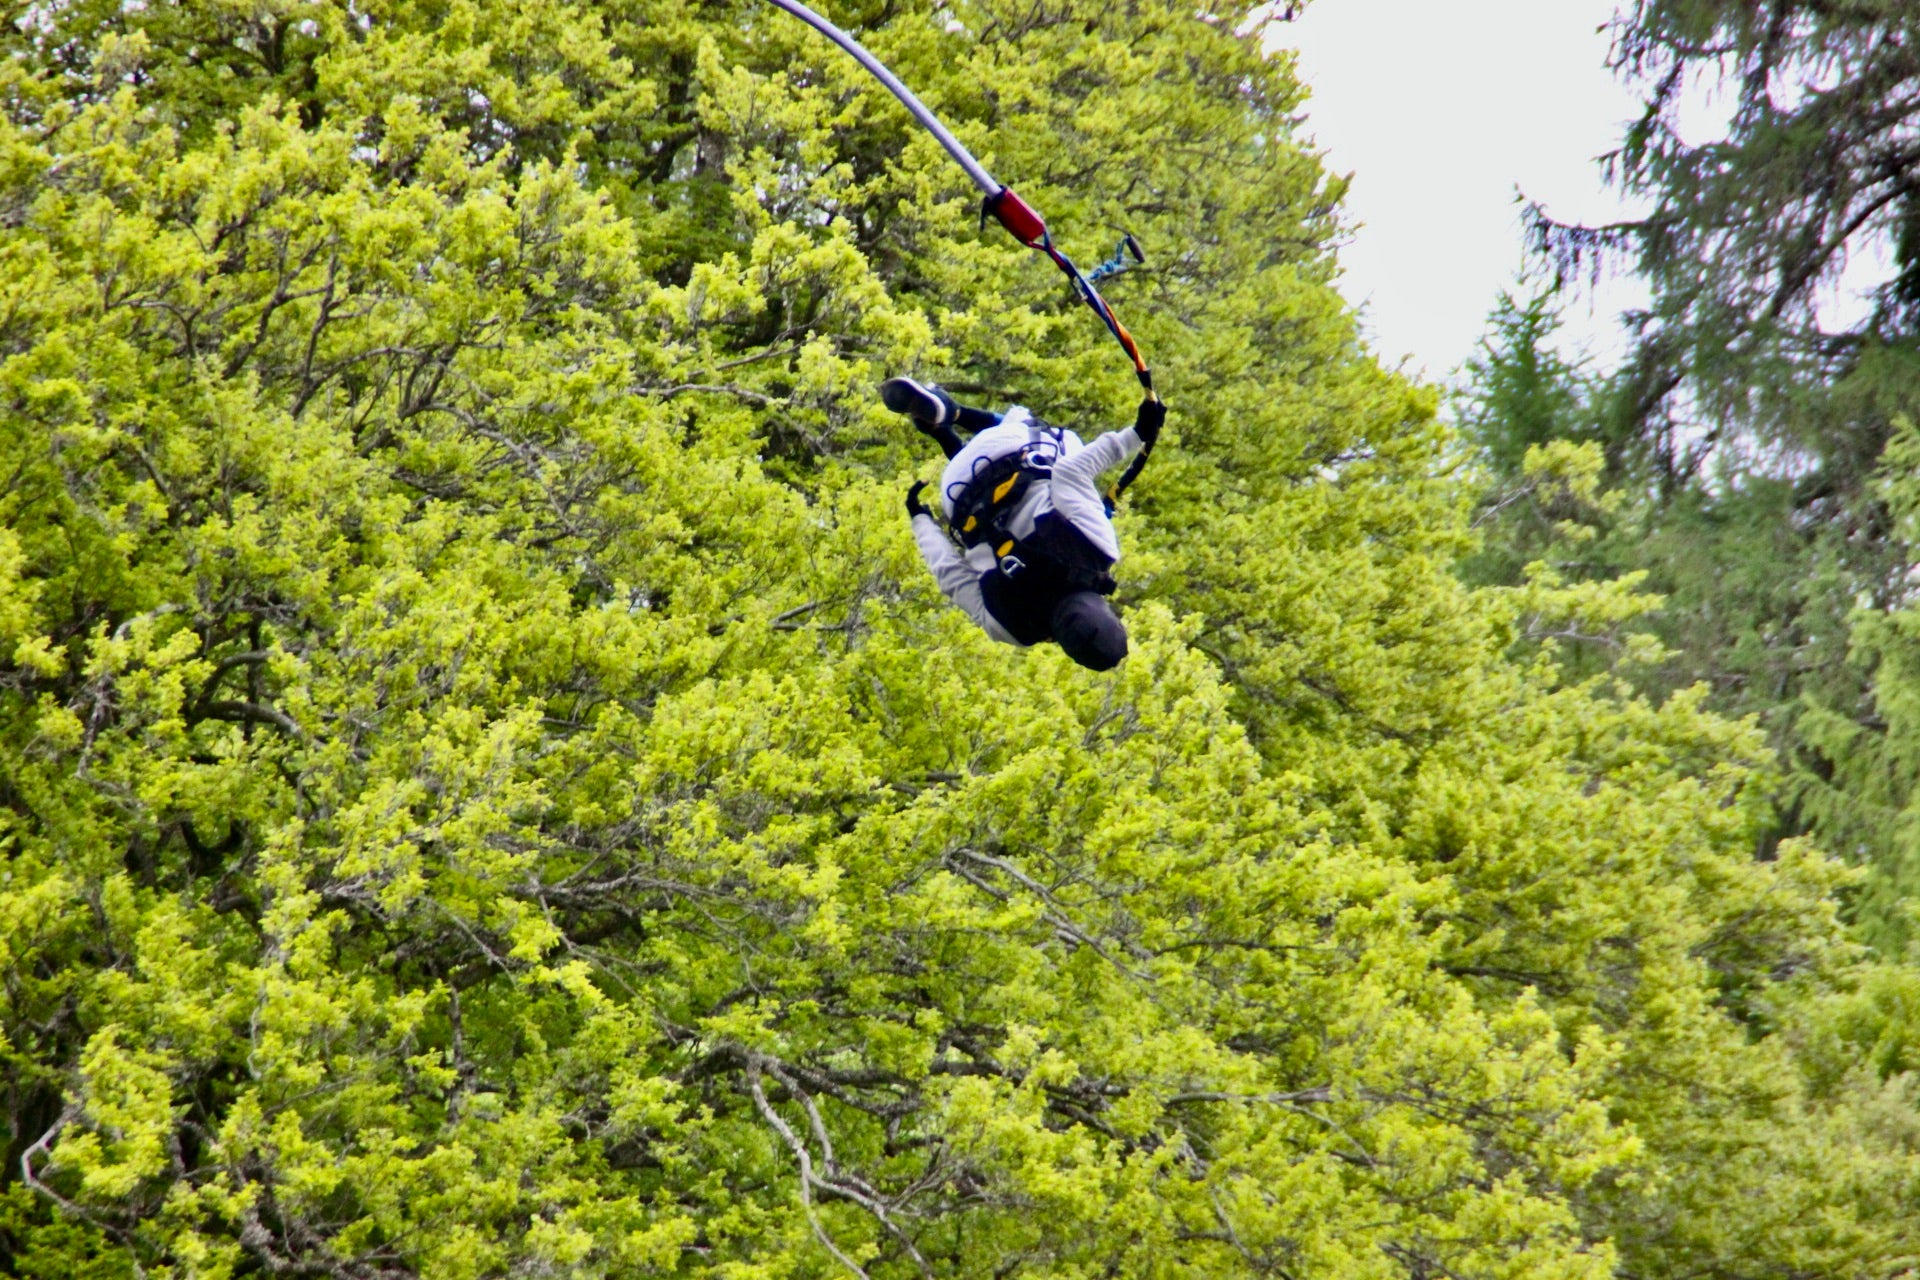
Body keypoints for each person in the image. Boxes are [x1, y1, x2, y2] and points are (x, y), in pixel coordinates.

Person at [883, 377, 1165, 671]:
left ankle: (954, 414)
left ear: (1109, 614)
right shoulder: (1013, 629)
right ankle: (942, 431)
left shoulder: (1098, 552)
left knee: (1059, 442)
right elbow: (950, 575)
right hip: (954, 490)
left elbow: (1071, 472)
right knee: (987, 520)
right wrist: (920, 519)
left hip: (1007, 446)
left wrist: (1135, 435)